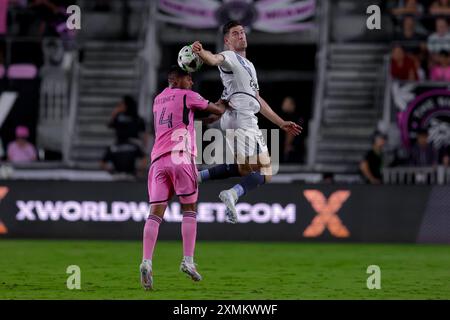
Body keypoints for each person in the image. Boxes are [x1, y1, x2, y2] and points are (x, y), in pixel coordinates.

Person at [192, 21, 302, 223]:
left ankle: (198, 177)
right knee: (266, 170)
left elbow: (257, 99)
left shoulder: (248, 66)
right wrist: (202, 52)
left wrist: (280, 122)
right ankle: (232, 194)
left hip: (235, 118)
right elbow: (214, 59)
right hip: (243, 117)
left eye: (242, 32)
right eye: (235, 33)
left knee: (244, 168)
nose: (241, 35)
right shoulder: (230, 57)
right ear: (227, 40)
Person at [140, 66, 226, 290]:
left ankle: (146, 262)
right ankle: (188, 261)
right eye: (189, 78)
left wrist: (206, 120)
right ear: (176, 79)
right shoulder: (188, 95)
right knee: (189, 210)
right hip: (181, 157)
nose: (191, 82)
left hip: (158, 161)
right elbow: (216, 110)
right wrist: (224, 103)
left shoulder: (158, 100)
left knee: (155, 213)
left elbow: (184, 121)